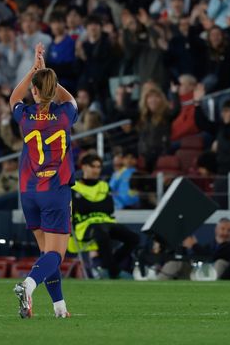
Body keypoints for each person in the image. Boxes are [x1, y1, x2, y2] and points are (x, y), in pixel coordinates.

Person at [11, 43, 77, 319]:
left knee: (45, 254)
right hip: (55, 190)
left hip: (29, 192)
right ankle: (28, 285)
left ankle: (59, 308)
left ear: (34, 91)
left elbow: (14, 96)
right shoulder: (64, 115)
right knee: (56, 255)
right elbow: (70, 98)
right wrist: (48, 73)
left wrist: (34, 70)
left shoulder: (24, 117)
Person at [71, 153, 140, 279]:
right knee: (101, 232)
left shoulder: (104, 185)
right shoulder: (74, 187)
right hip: (84, 227)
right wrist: (95, 205)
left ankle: (107, 267)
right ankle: (114, 272)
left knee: (134, 238)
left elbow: (108, 208)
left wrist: (88, 204)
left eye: (99, 167)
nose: (96, 170)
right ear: (84, 167)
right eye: (93, 166)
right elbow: (81, 209)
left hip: (107, 222)